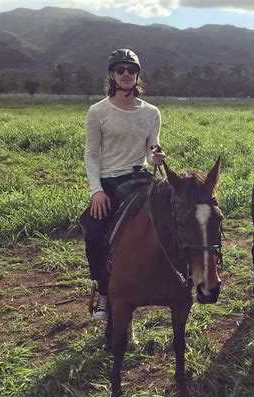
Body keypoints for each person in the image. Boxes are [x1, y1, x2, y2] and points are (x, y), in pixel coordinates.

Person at [81, 48, 166, 320]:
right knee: (94, 229)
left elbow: (152, 151)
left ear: (137, 75)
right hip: (109, 178)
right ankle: (104, 290)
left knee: (174, 213)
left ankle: (178, 274)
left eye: (131, 70)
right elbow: (91, 154)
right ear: (112, 75)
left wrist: (157, 157)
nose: (127, 74)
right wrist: (96, 191)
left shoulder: (151, 112)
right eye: (121, 70)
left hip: (139, 175)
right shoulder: (98, 112)